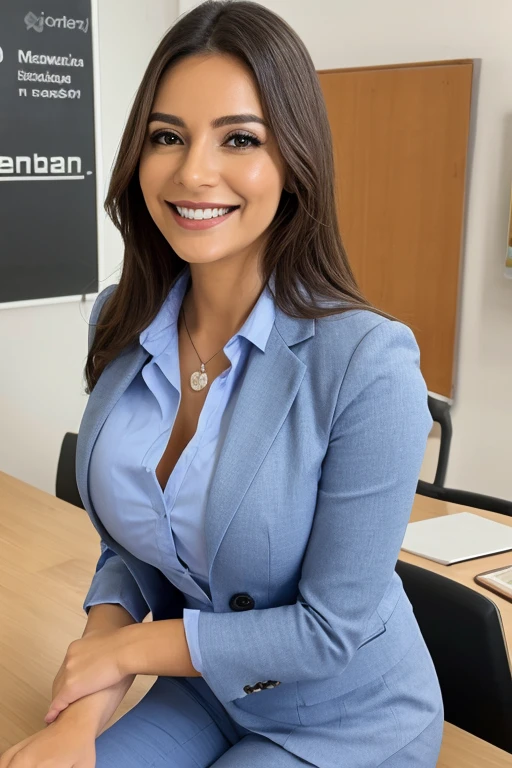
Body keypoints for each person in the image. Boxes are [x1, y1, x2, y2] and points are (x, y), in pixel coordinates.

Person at [0, 1, 444, 766]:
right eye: (167, 136)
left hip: (347, 715)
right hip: (206, 689)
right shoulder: (121, 316)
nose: (192, 171)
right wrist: (78, 717)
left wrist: (127, 654)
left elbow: (327, 629)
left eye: (239, 139)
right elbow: (133, 552)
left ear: (295, 161)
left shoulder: (370, 363)